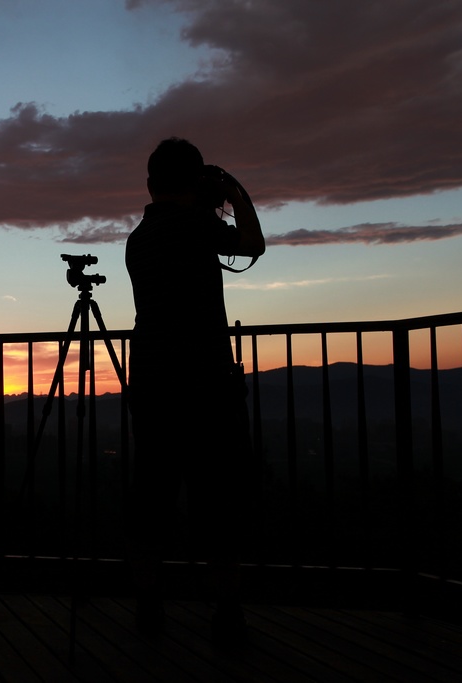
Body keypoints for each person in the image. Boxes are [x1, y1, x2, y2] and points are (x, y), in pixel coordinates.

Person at [124, 137, 264, 645]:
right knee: (217, 502)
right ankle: (227, 614)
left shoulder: (138, 238)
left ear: (150, 184)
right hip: (206, 383)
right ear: (196, 180)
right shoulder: (199, 226)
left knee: (153, 500)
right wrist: (236, 194)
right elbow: (253, 245)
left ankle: (148, 609)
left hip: (154, 382)